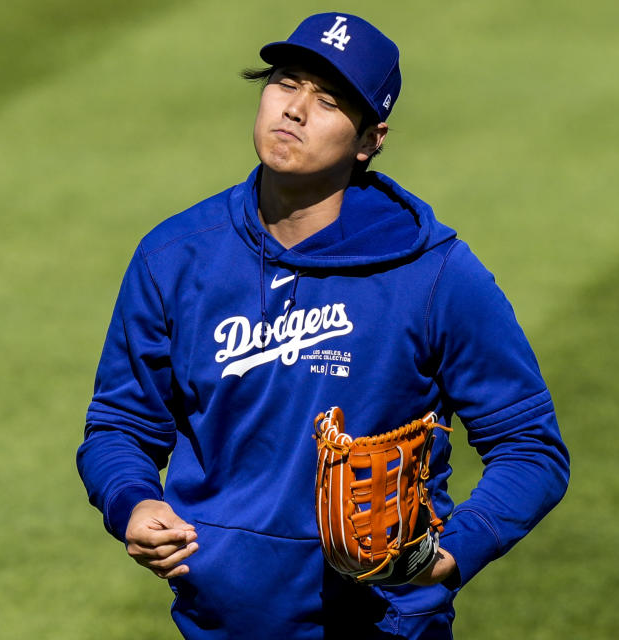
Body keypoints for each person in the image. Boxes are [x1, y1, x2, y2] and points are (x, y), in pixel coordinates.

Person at [77, 12, 569, 640]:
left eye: (329, 101)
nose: (294, 110)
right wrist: (133, 502)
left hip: (386, 626)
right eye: (285, 83)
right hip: (218, 624)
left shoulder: (435, 275)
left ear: (370, 140)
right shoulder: (175, 255)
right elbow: (120, 426)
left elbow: (531, 448)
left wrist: (448, 557)